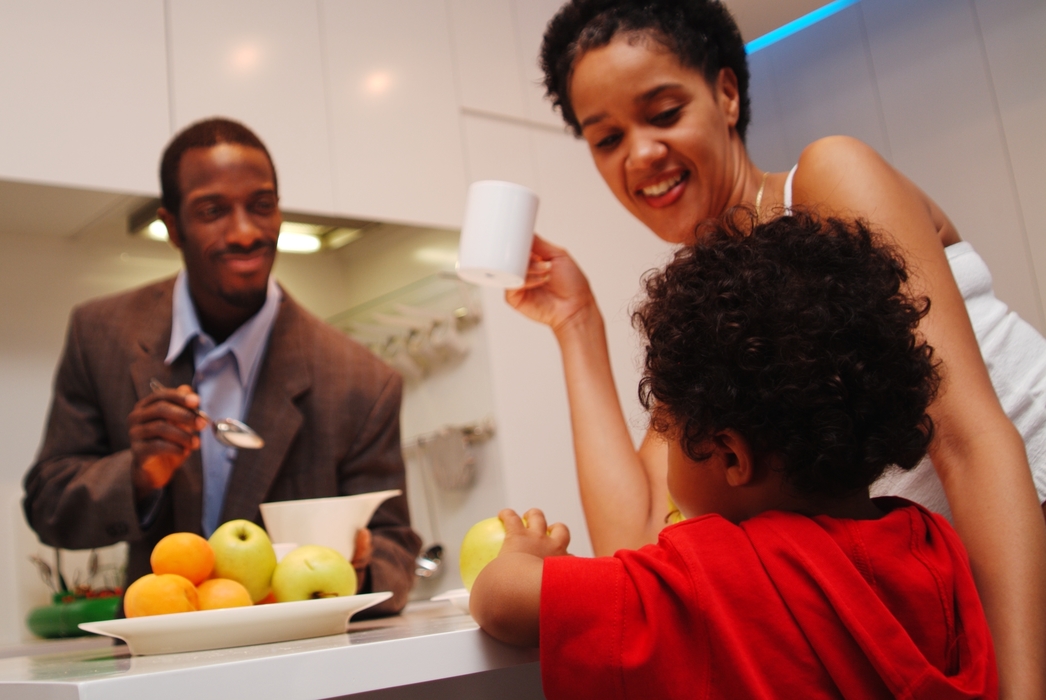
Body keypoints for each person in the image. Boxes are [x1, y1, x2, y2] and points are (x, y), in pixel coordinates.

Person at [506, 0, 1046, 693]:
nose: (640, 154)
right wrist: (576, 325)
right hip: (946, 608)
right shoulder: (715, 303)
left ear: (726, 93)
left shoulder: (828, 179)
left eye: (664, 113)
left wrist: (1023, 687)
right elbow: (637, 531)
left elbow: (969, 440)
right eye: (607, 139)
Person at [472, 212, 997, 699]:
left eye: (666, 430)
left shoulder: (713, 575)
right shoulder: (932, 546)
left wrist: (524, 554)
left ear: (729, 456)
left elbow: (501, 601)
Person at [23, 118, 420, 614]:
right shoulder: (100, 334)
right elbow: (48, 506)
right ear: (173, 228)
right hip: (158, 665)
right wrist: (137, 475)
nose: (245, 232)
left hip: (301, 667)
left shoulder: (362, 381)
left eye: (262, 205)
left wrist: (359, 571)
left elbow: (395, 547)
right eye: (213, 210)